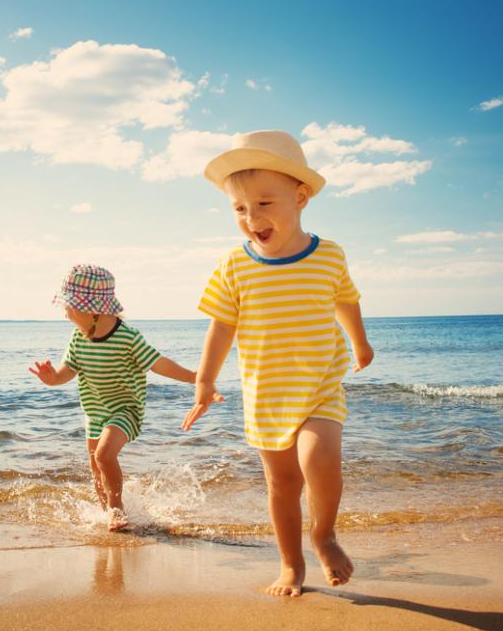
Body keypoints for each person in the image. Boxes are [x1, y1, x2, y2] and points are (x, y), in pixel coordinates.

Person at [182, 130, 374, 597]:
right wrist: (205, 379)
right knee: (282, 485)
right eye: (240, 209)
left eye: (264, 204)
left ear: (300, 196)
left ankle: (323, 534)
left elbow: (346, 301)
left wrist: (360, 344)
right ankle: (291, 566)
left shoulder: (328, 255)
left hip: (320, 387)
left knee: (319, 459)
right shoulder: (234, 265)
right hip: (266, 395)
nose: (252, 218)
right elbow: (222, 326)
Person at [30, 264, 197, 531]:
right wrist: (52, 379)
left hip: (125, 409)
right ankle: (105, 512)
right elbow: (67, 370)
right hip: (95, 411)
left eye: (70, 306)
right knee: (96, 466)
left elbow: (157, 363)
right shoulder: (78, 337)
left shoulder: (127, 337)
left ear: (92, 308)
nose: (65, 313)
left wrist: (193, 377)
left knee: (105, 456)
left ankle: (117, 510)